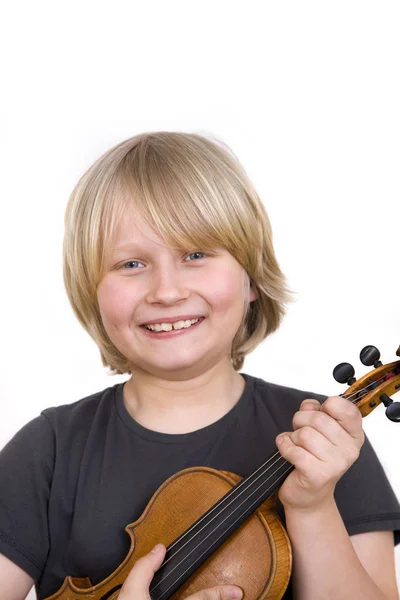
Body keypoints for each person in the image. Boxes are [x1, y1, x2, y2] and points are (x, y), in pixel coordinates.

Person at [0, 131, 399, 600]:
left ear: (251, 278)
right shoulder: (48, 452)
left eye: (196, 254)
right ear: (93, 291)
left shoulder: (324, 441)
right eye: (130, 264)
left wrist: (312, 507)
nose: (166, 291)